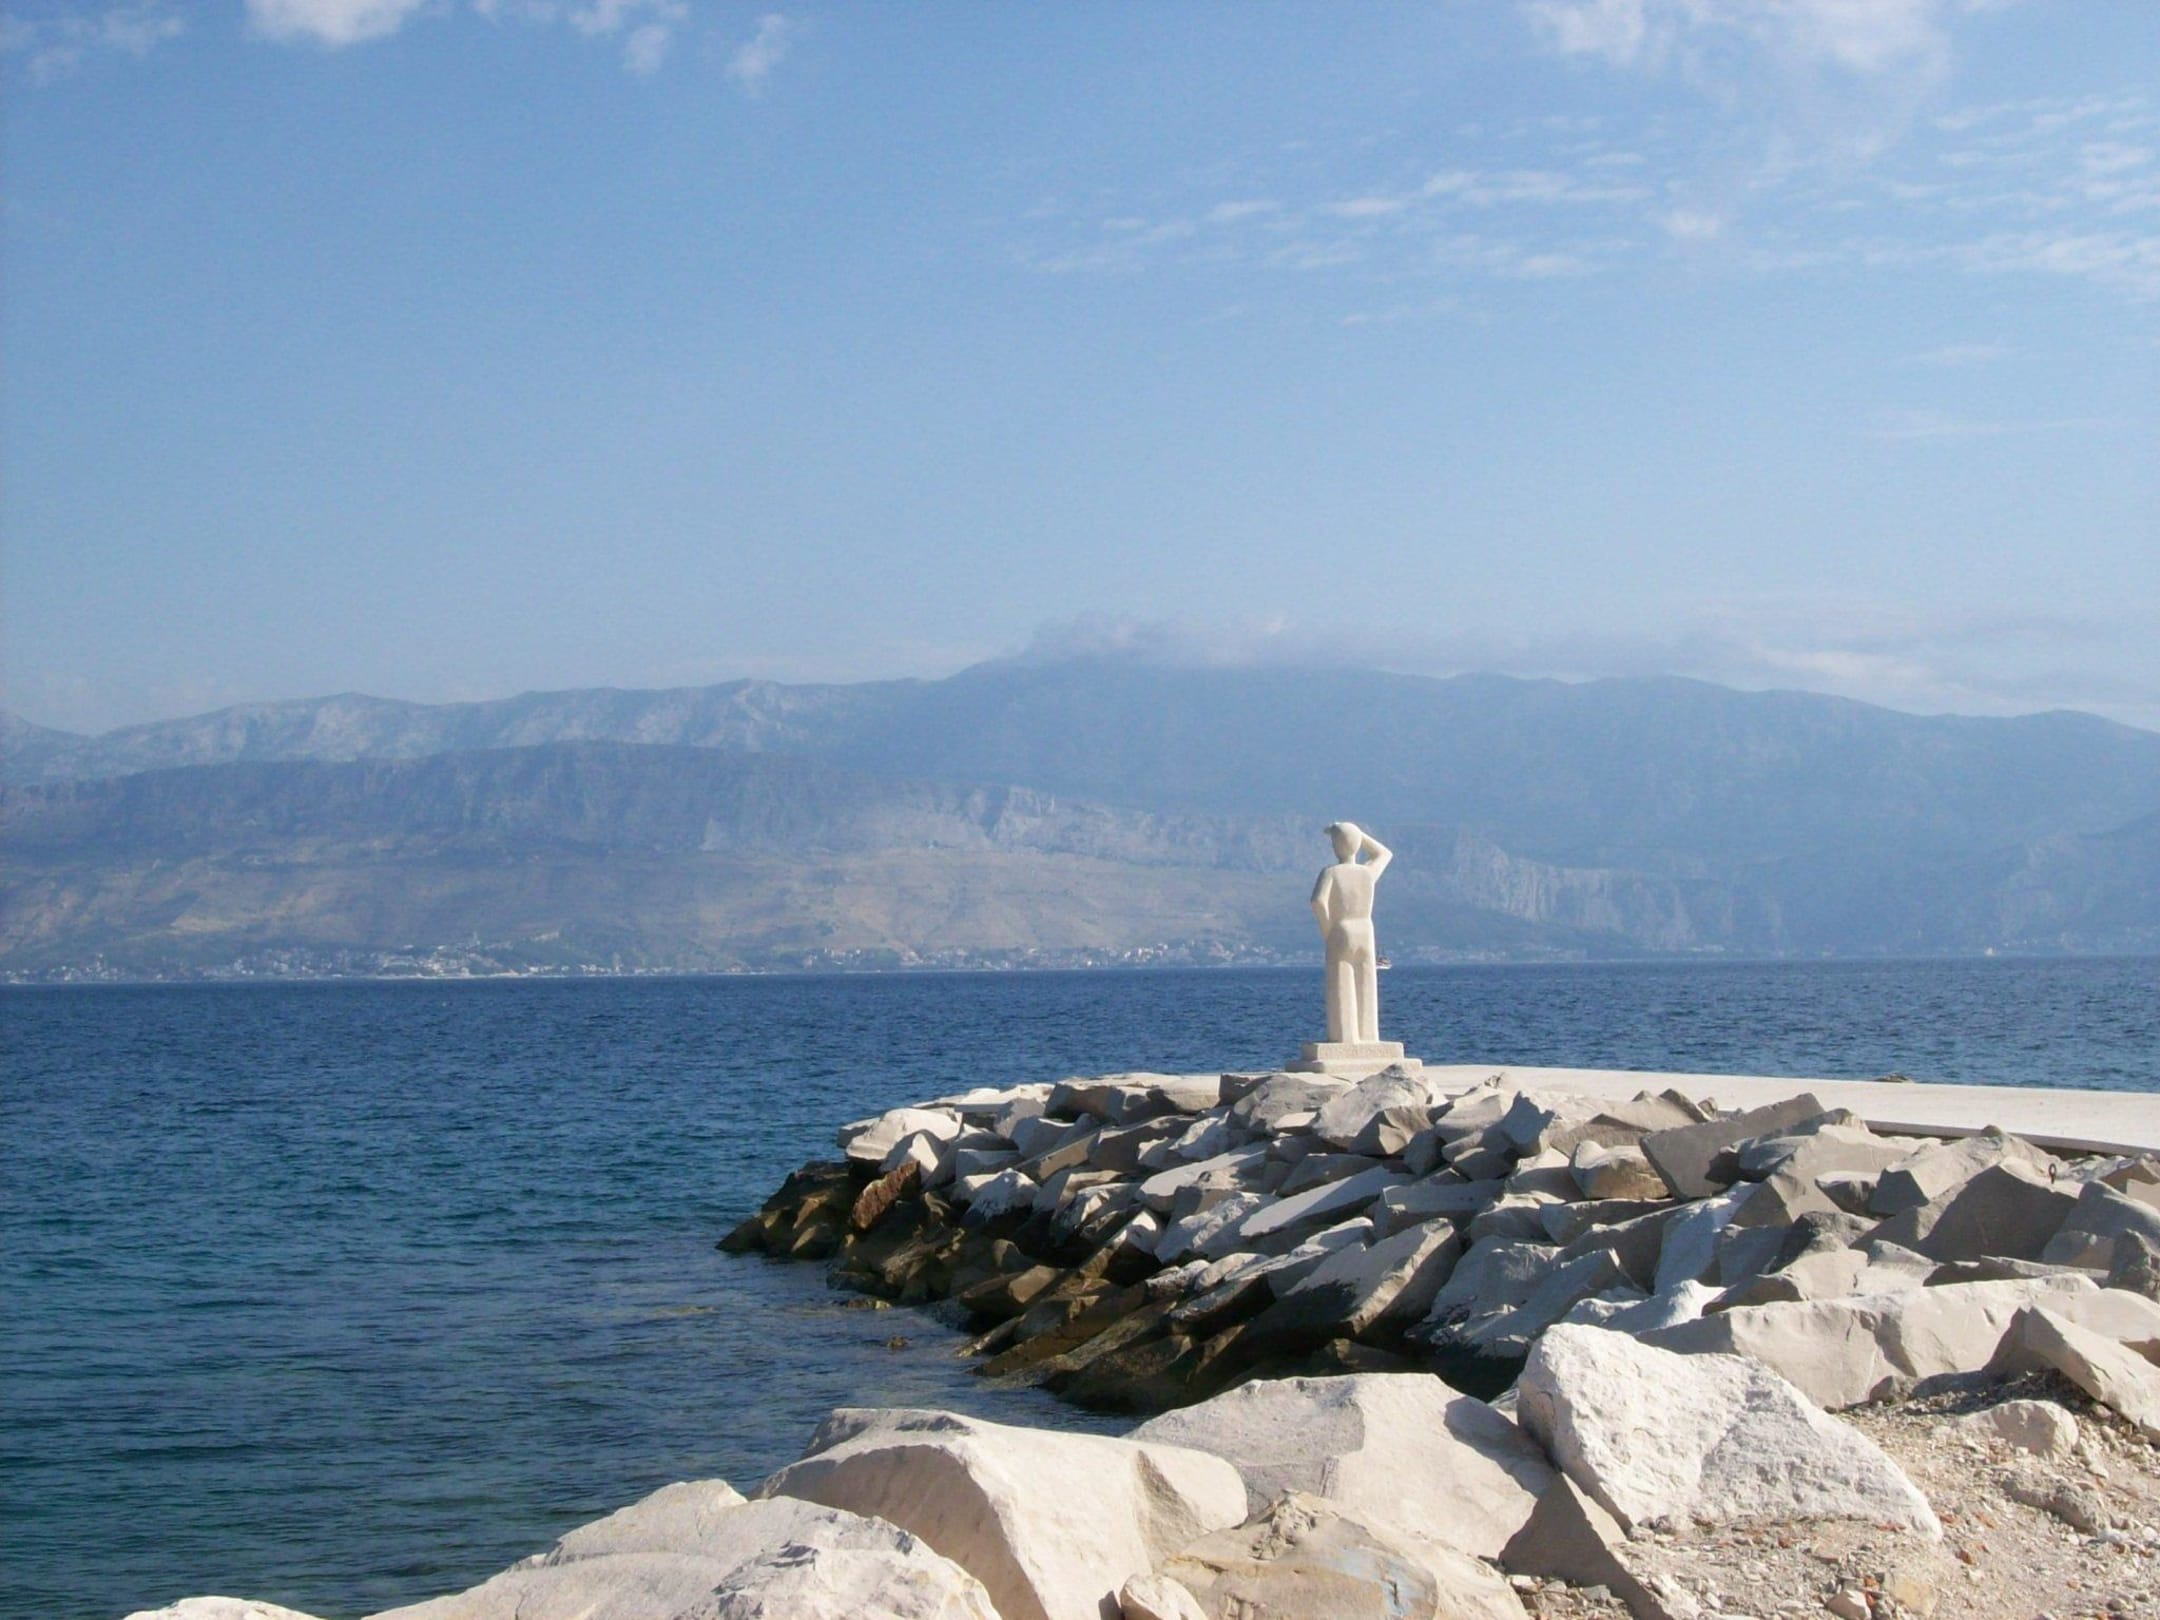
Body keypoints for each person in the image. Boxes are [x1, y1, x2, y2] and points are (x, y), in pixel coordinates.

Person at [1310, 821, 1392, 1044]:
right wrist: (1356, 836)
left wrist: (1328, 931)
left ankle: (1346, 1037)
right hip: (1365, 930)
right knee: (1367, 984)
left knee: (1342, 983)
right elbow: (1384, 853)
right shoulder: (1367, 873)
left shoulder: (1331, 873)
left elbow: (1318, 902)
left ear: (1335, 846)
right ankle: (1369, 1036)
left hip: (1342, 928)